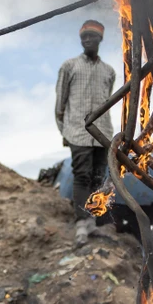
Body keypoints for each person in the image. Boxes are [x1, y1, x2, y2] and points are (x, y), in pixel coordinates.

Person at [55, 20, 117, 247]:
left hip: (102, 132)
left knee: (98, 176)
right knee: (81, 175)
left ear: (100, 39)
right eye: (84, 37)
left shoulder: (109, 71)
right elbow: (60, 102)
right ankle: (81, 222)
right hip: (77, 131)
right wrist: (64, 131)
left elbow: (107, 99)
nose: (87, 40)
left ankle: (92, 221)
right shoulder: (69, 66)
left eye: (92, 36)